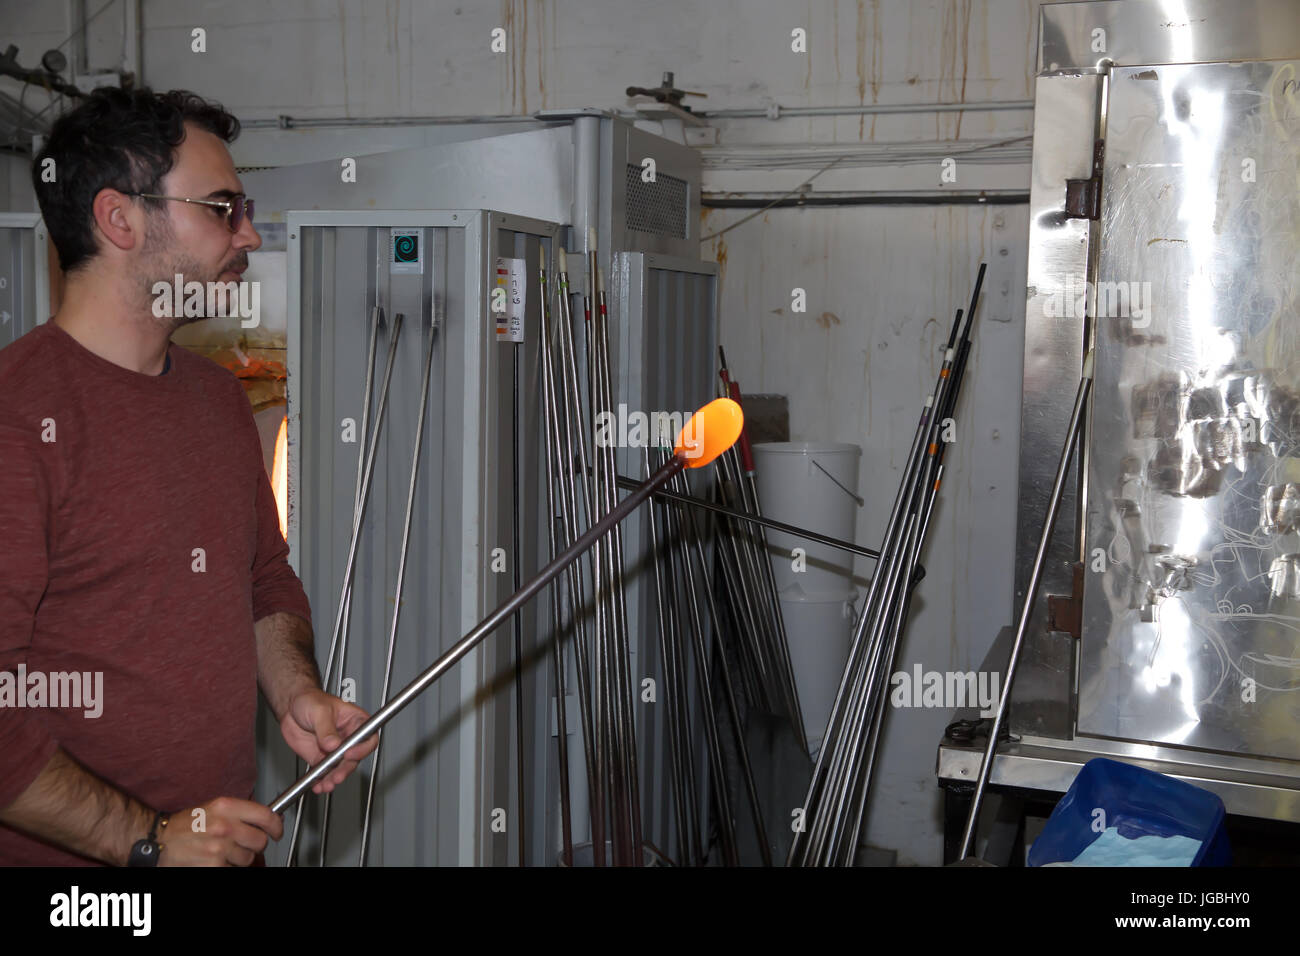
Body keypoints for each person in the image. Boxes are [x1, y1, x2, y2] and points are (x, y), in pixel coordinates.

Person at [0, 87, 376, 866]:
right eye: (222, 209)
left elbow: (263, 581)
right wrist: (148, 840)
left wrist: (295, 693)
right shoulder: (19, 418)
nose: (250, 234)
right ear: (120, 219)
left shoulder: (215, 397)